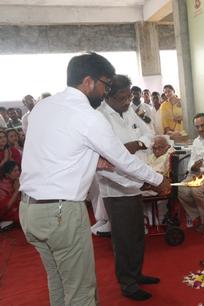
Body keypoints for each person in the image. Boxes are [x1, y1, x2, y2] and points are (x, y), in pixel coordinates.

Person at [19, 52, 170, 306]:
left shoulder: (43, 107)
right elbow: (123, 158)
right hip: (61, 212)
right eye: (105, 85)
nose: (106, 91)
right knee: (81, 292)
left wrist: (95, 161)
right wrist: (157, 179)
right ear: (88, 82)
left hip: (30, 210)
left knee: (58, 283)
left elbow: (55, 152)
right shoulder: (88, 116)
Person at [97, 74, 159, 301]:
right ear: (108, 95)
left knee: (137, 235)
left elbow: (149, 134)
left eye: (128, 96)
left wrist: (137, 144)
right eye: (122, 97)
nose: (126, 101)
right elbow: (111, 156)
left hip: (136, 183)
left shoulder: (130, 110)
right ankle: (128, 283)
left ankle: (136, 273)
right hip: (116, 189)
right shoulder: (101, 117)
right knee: (123, 239)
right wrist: (126, 149)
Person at [178, 113, 204, 232]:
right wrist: (194, 167)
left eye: (203, 125)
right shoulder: (196, 142)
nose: (200, 129)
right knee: (181, 189)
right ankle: (200, 216)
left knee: (196, 190)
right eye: (197, 127)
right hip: (197, 173)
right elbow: (191, 162)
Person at [0, 160, 20, 231]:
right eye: (15, 171)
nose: (18, 173)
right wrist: (17, 190)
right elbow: (6, 207)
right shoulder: (2, 186)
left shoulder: (15, 181)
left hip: (16, 209)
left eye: (18, 170)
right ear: (7, 174)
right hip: (6, 213)